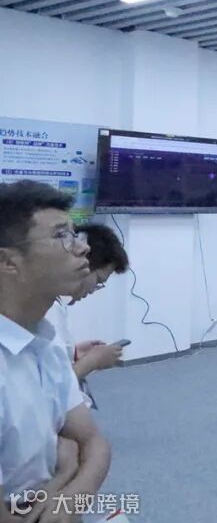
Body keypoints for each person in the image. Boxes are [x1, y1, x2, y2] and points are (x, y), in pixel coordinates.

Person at [0, 181, 112, 517]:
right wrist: (67, 472)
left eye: (75, 233)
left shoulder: (44, 339)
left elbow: (95, 444)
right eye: (61, 235)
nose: (82, 248)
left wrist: (71, 496)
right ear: (8, 262)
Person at [46, 223, 130, 407]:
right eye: (98, 281)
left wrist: (73, 352)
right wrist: (92, 362)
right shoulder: (45, 310)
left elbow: (49, 364)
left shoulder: (54, 304)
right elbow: (49, 391)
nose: (93, 290)